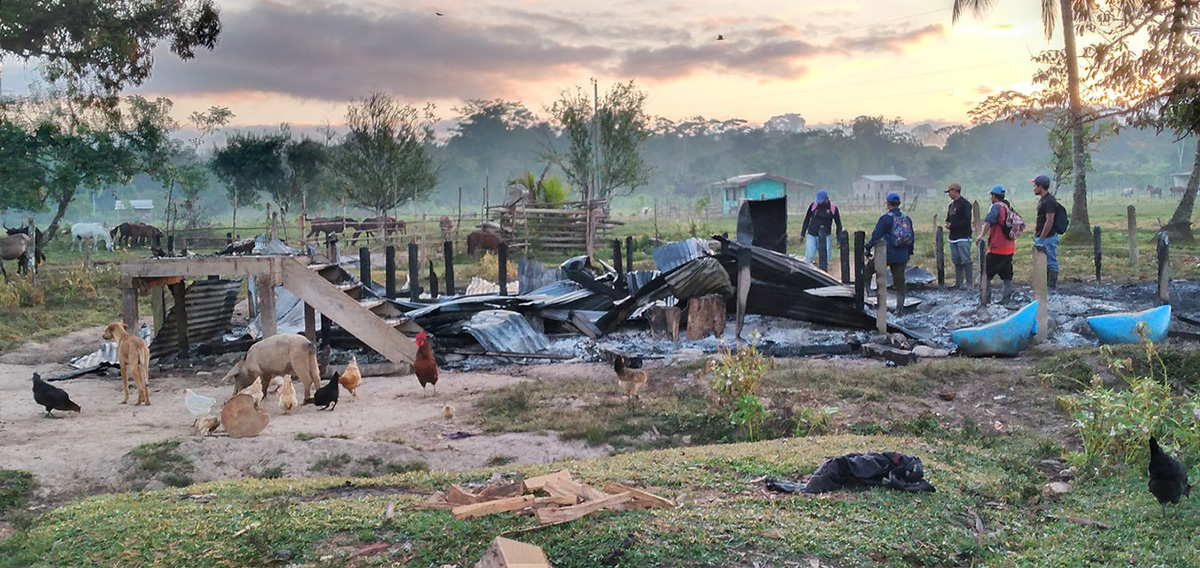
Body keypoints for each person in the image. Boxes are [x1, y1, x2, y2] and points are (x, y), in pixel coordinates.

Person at [865, 192, 914, 315]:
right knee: (900, 283)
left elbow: (876, 235)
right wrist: (909, 252)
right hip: (902, 255)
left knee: (868, 271)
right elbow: (911, 237)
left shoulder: (885, 218)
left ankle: (868, 298)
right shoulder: (906, 218)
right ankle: (899, 309)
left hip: (886, 254)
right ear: (899, 204)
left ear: (887, 204)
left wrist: (868, 247)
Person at [978, 185, 1016, 303]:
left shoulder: (995, 207)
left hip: (997, 248)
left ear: (993, 196)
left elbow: (989, 221)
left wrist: (981, 235)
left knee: (985, 275)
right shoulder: (1007, 206)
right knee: (1007, 275)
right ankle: (1006, 300)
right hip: (1009, 247)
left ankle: (985, 300)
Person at [800, 190, 843, 266]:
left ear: (827, 199)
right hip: (812, 234)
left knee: (825, 259)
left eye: (822, 201)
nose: (820, 203)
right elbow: (807, 219)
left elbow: (838, 224)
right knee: (809, 257)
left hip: (826, 235)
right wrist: (802, 234)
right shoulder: (813, 206)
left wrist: (839, 239)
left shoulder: (833, 208)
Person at [1031, 174, 1060, 290]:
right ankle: (1044, 286)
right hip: (1042, 236)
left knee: (1051, 261)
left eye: (1035, 186)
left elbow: (1049, 221)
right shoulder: (1044, 200)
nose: (1033, 188)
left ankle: (1051, 287)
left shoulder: (1049, 201)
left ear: (1041, 187)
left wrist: (1042, 238)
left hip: (1048, 236)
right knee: (1043, 262)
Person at [943, 183, 973, 289]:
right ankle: (958, 282)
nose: (949, 194)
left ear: (955, 191)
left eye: (950, 192)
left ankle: (969, 282)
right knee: (956, 260)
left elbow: (966, 220)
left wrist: (953, 225)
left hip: (963, 236)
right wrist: (948, 223)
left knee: (966, 260)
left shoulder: (966, 204)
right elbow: (948, 218)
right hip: (953, 237)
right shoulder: (951, 206)